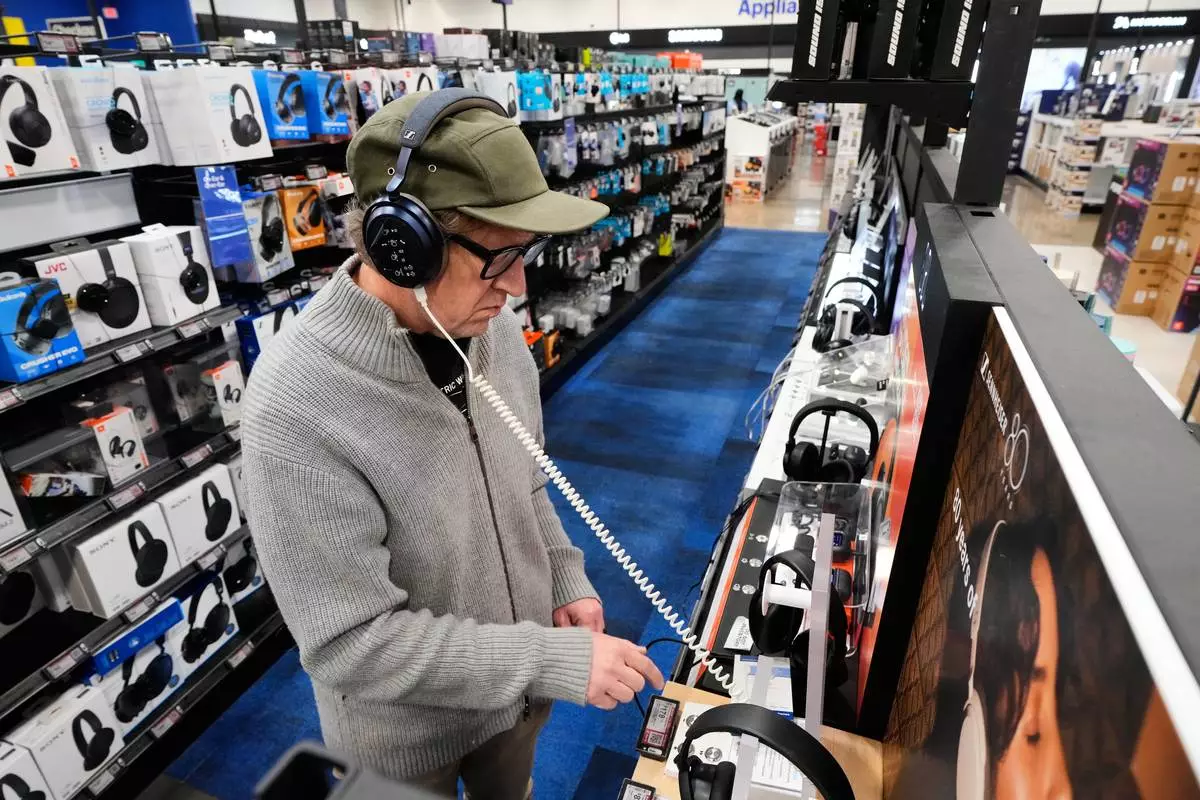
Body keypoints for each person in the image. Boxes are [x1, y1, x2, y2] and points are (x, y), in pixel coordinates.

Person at [240, 90, 664, 798]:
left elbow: (525, 475)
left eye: (526, 252)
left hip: (515, 705)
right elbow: (350, 643)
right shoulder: (295, 404)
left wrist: (563, 575)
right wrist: (543, 658)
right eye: (500, 257)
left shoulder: (489, 328)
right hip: (403, 741)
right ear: (404, 247)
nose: (519, 285)